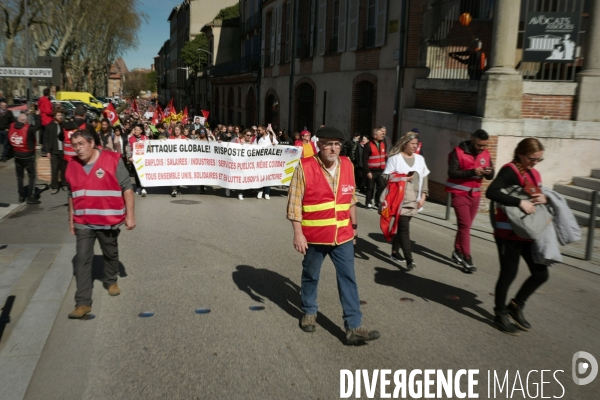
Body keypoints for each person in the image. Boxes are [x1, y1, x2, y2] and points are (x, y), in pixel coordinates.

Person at [287, 125, 380, 346]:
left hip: (343, 236)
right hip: (315, 237)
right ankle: (309, 311)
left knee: (348, 279)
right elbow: (294, 204)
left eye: (337, 144)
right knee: (311, 275)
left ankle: (353, 326)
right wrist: (298, 234)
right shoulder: (305, 166)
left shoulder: (347, 164)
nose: (333, 148)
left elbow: (351, 200)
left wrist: (355, 230)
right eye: (328, 144)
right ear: (319, 145)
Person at [65, 129, 136, 319]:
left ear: (91, 143)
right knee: (82, 259)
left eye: (81, 144)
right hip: (83, 222)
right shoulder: (71, 165)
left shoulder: (112, 159)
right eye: (74, 145)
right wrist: (71, 219)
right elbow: (71, 194)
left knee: (110, 253)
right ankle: (83, 303)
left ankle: (111, 280)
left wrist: (130, 216)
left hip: (108, 220)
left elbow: (127, 188)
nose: (78, 149)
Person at [486, 138, 548, 336]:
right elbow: (491, 191)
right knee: (508, 274)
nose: (535, 163)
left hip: (528, 233)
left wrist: (542, 198)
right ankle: (500, 315)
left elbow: (535, 196)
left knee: (541, 274)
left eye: (539, 159)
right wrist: (518, 203)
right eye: (532, 158)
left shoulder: (534, 173)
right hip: (508, 233)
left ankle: (516, 305)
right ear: (521, 153)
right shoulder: (509, 170)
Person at [446, 129, 494, 273]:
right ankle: (467, 258)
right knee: (465, 225)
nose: (482, 148)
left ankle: (457, 251)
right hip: (459, 193)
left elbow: (491, 175)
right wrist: (473, 172)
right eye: (480, 145)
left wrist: (488, 172)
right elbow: (452, 172)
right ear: (472, 139)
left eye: (485, 145)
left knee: (465, 226)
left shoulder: (485, 154)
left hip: (475, 194)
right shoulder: (458, 152)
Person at [383, 132, 430, 270]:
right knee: (404, 228)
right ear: (405, 144)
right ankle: (410, 259)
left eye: (417, 144)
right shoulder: (395, 159)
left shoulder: (420, 159)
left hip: (415, 199)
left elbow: (424, 177)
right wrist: (402, 178)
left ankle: (394, 251)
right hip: (400, 199)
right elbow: (386, 177)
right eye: (413, 144)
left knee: (402, 226)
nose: (415, 146)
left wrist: (424, 196)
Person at [9, 112, 41, 204]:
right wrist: (37, 115)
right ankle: (30, 197)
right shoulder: (28, 128)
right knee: (32, 175)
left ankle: (21, 196)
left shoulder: (12, 126)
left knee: (20, 177)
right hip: (27, 155)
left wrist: (25, 114)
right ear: (26, 121)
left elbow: (17, 120)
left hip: (17, 155)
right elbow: (38, 125)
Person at [363, 127, 387, 209]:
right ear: (375, 136)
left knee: (382, 186)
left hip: (381, 170)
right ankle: (368, 202)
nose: (382, 135)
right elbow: (364, 159)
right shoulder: (368, 145)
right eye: (380, 134)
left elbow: (385, 156)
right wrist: (367, 171)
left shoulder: (383, 144)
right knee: (370, 187)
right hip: (371, 170)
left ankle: (377, 201)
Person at [45, 109, 66, 194]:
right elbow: (46, 139)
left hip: (63, 151)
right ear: (54, 117)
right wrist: (47, 151)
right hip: (54, 151)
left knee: (64, 169)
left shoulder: (63, 125)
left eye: (61, 115)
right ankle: (55, 186)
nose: (60, 117)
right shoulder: (49, 126)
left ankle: (64, 184)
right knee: (54, 170)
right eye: (58, 115)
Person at [256, 125, 278, 199]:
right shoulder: (257, 138)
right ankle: (260, 190)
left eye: (259, 130)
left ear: (264, 130)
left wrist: (274, 144)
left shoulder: (271, 137)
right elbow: (252, 147)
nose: (258, 132)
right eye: (257, 130)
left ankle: (267, 192)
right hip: (260, 161)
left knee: (268, 177)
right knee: (261, 176)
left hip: (269, 161)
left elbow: (278, 146)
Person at [127, 124, 148, 196]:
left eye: (137, 130)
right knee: (136, 173)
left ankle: (144, 187)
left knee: (143, 173)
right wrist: (129, 157)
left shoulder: (145, 138)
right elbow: (128, 149)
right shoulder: (130, 138)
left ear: (141, 131)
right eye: (135, 129)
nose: (136, 131)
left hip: (143, 159)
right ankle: (138, 187)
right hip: (135, 159)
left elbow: (150, 147)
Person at [169, 125, 186, 197]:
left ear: (181, 130)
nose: (177, 131)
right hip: (173, 159)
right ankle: (174, 189)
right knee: (174, 174)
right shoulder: (171, 138)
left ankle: (178, 188)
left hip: (182, 160)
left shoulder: (184, 138)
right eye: (175, 129)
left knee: (179, 174)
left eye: (178, 129)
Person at [38, 88, 54, 155]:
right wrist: (53, 112)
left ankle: (44, 149)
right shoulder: (46, 101)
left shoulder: (41, 100)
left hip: (43, 119)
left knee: (44, 135)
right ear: (49, 93)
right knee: (48, 136)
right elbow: (48, 111)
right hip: (48, 120)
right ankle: (46, 150)